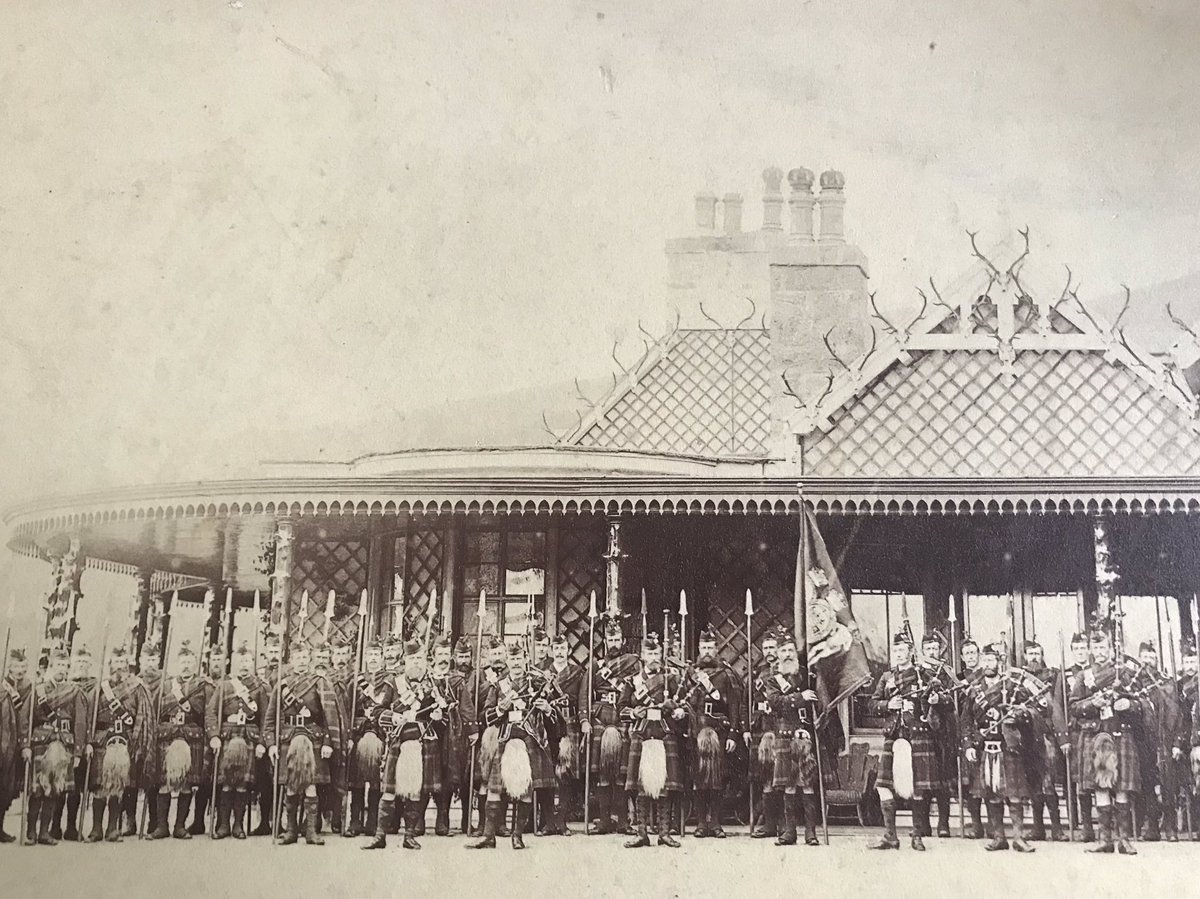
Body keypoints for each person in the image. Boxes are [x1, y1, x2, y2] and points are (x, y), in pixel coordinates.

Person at [467, 639, 561, 850]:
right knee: (494, 789)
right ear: (507, 661)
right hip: (505, 739)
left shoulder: (538, 683)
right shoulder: (499, 686)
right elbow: (486, 717)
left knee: (525, 789)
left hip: (529, 740)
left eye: (519, 658)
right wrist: (501, 709)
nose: (516, 662)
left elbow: (557, 715)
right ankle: (488, 836)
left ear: (526, 659)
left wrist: (546, 708)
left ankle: (517, 836)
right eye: (512, 659)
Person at [867, 630, 951, 851]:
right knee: (884, 787)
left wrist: (935, 699)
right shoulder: (887, 678)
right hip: (893, 737)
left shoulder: (923, 674)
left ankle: (917, 835)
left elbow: (947, 698)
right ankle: (890, 836)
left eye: (902, 650)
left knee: (918, 789)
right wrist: (887, 705)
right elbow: (871, 705)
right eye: (895, 650)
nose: (898, 654)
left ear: (911, 652)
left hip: (918, 737)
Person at [1069, 628, 1148, 855]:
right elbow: (1074, 707)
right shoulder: (1084, 677)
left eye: (1104, 647)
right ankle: (1105, 840)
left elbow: (1142, 704)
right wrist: (1092, 704)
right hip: (1097, 736)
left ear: (1111, 649)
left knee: (1122, 787)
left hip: (1121, 733)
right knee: (1101, 787)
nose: (1100, 652)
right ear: (1091, 651)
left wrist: (1129, 706)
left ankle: (1123, 839)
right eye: (1096, 648)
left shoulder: (1124, 673)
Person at [264, 641, 344, 846]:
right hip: (288, 738)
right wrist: (272, 744)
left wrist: (328, 742)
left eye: (304, 658)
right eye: (297, 658)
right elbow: (271, 718)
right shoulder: (282, 684)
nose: (300, 662)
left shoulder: (319, 682)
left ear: (309, 660)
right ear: (291, 660)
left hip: (312, 737)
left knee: (311, 787)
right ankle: (291, 832)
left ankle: (311, 832)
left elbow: (330, 716)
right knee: (291, 787)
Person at [961, 644, 1038, 853]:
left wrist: (1013, 715)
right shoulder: (974, 691)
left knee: (1013, 794)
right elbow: (966, 721)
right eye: (984, 660)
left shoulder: (1011, 687)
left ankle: (1019, 837)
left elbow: (1031, 710)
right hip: (986, 747)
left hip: (1008, 746)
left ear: (998, 662)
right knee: (991, 794)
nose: (987, 664)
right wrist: (968, 745)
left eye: (991, 660)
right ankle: (999, 837)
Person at [619, 632, 684, 849]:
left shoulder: (671, 679)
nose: (654, 656)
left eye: (657, 652)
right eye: (650, 652)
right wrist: (634, 713)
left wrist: (678, 712)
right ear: (643, 656)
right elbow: (621, 710)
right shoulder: (632, 681)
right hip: (642, 734)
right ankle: (642, 833)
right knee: (641, 786)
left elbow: (684, 706)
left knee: (664, 784)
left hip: (665, 734)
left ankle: (664, 833)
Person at [758, 630, 822, 847]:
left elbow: (820, 701)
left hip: (804, 733)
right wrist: (799, 697)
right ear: (777, 654)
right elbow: (775, 702)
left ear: (796, 653)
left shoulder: (808, 675)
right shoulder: (772, 680)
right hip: (784, 734)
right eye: (783, 650)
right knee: (788, 786)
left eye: (790, 650)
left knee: (808, 784)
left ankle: (811, 833)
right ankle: (790, 832)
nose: (787, 654)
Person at [83, 645, 153, 843]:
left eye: (123, 663)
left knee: (119, 786)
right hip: (102, 739)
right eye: (116, 663)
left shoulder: (138, 688)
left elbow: (144, 717)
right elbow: (89, 719)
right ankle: (96, 829)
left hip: (126, 740)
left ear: (127, 665)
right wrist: (89, 742)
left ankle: (113, 829)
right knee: (100, 786)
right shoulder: (98, 689)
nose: (119, 667)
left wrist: (139, 743)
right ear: (110, 664)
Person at [21, 643, 88, 846]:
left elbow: (80, 722)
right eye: (58, 664)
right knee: (37, 789)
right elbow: (26, 717)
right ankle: (31, 831)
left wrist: (77, 752)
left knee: (55, 788)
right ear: (51, 665)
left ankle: (44, 832)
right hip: (41, 742)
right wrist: (25, 745)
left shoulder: (74, 691)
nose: (61, 668)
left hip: (63, 745)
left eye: (64, 665)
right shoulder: (38, 689)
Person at [579, 615, 639, 835]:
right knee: (603, 773)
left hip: (622, 717)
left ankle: (623, 821)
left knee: (622, 773)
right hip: (600, 719)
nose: (614, 644)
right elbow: (584, 694)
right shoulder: (596, 665)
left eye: (617, 640)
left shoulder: (633, 663)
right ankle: (604, 821)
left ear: (623, 641)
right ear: (605, 641)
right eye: (610, 640)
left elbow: (638, 691)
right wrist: (585, 720)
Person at [147, 641, 213, 840]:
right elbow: (154, 712)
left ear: (195, 664)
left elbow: (208, 714)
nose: (186, 665)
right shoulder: (166, 685)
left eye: (189, 662)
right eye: (182, 662)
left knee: (185, 783)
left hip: (191, 735)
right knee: (165, 781)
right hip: (167, 735)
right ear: (177, 663)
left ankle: (180, 826)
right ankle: (161, 826)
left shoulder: (203, 686)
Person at [683, 625, 744, 839]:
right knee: (699, 778)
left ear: (716, 648)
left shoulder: (726, 674)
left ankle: (716, 823)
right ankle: (701, 823)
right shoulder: (690, 673)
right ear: (699, 649)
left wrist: (734, 734)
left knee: (717, 778)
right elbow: (683, 701)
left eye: (710, 646)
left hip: (719, 731)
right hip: (697, 730)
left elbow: (735, 706)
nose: (707, 651)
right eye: (703, 647)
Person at [206, 641, 267, 840]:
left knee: (242, 783)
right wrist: (214, 736)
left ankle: (238, 825)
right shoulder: (224, 686)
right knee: (226, 781)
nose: (244, 665)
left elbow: (267, 718)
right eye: (241, 661)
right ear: (234, 663)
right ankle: (223, 824)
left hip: (249, 734)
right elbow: (211, 712)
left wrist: (262, 743)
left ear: (252, 663)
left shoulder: (259, 688)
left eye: (248, 661)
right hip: (228, 734)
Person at [429, 631, 476, 836]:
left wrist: (472, 730)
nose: (444, 658)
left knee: (451, 774)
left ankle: (445, 821)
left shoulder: (457, 680)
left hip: (453, 733)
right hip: (430, 731)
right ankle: (427, 822)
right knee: (433, 775)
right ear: (433, 655)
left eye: (446, 654)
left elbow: (466, 706)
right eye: (440, 653)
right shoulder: (427, 678)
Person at [343, 638, 391, 838]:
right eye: (369, 655)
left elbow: (390, 706)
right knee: (356, 779)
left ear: (382, 659)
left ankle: (372, 821)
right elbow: (347, 709)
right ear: (364, 658)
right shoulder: (356, 681)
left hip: (380, 731)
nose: (373, 659)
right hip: (359, 731)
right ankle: (355, 821)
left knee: (376, 779)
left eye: (376, 656)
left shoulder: (389, 681)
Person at [1021, 639, 1066, 842]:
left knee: (1048, 782)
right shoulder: (1020, 678)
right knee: (1033, 783)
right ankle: (1038, 827)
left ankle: (1056, 828)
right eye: (1030, 654)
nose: (1034, 657)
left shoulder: (1052, 675)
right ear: (1024, 656)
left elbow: (1056, 706)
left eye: (1037, 653)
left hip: (1046, 735)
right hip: (1027, 735)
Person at [541, 631, 584, 833]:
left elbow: (583, 699)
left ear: (569, 651)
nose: (559, 652)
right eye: (556, 648)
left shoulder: (578, 672)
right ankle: (549, 821)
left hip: (568, 725)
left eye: (563, 648)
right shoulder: (542, 672)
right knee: (548, 773)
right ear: (551, 651)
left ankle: (562, 820)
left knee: (566, 773)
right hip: (547, 726)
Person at [1054, 631, 1094, 841]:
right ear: (1072, 651)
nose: (1080, 652)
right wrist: (1063, 738)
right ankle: (1080, 823)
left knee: (1097, 777)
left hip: (1095, 731)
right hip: (1075, 733)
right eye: (1076, 649)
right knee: (1076, 781)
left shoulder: (1096, 671)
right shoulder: (1066, 674)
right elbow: (1058, 707)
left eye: (1083, 648)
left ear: (1089, 650)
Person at [919, 631, 958, 838]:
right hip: (922, 732)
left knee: (943, 782)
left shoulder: (947, 673)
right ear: (922, 650)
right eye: (928, 649)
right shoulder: (917, 672)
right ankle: (924, 824)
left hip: (942, 734)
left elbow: (953, 700)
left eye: (935, 648)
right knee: (924, 781)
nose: (932, 652)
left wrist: (940, 701)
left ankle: (943, 824)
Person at [750, 627, 782, 839]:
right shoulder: (757, 671)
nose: (769, 651)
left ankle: (782, 825)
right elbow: (749, 701)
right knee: (766, 778)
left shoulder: (786, 671)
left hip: (780, 728)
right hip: (762, 729)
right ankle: (769, 825)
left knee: (782, 778)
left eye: (773, 647)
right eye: (766, 648)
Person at [250, 633, 283, 836]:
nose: (273, 654)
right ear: (265, 652)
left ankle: (278, 822)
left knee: (278, 780)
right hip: (261, 734)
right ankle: (263, 822)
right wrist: (261, 740)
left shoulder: (285, 675)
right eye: (270, 651)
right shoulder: (257, 677)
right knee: (262, 781)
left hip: (280, 733)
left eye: (276, 651)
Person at [0, 648, 26, 843]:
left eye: (23, 666)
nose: (20, 670)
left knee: (6, 789)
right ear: (9, 667)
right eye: (16, 666)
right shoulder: (3, 688)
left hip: (11, 746)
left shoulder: (24, 688)